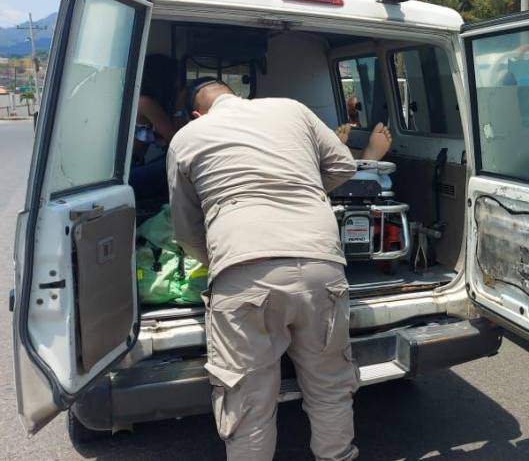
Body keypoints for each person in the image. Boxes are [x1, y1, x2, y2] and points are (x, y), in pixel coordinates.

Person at [167, 78, 389, 460]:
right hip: (321, 264)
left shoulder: (187, 137)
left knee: (248, 402)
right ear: (239, 96)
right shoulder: (292, 107)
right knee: (330, 386)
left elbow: (187, 231)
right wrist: (300, 189)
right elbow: (343, 164)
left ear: (196, 113)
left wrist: (219, 259)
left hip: (243, 271)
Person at [130, 54, 182, 202]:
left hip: (137, 164)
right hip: (131, 173)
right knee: (183, 165)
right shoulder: (145, 102)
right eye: (175, 77)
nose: (178, 82)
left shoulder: (146, 101)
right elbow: (177, 139)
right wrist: (179, 105)